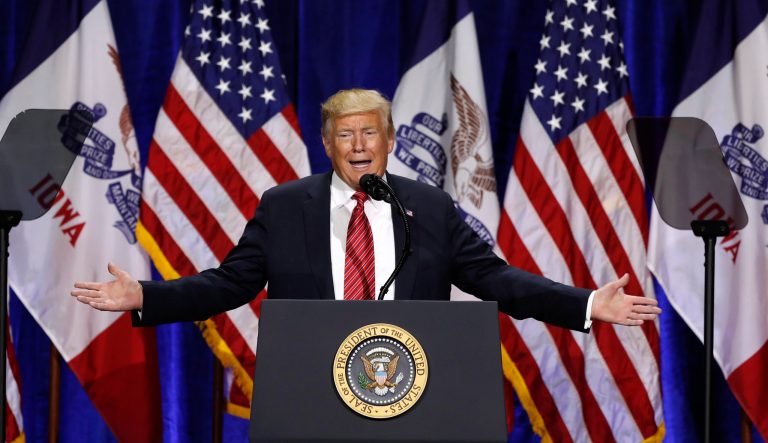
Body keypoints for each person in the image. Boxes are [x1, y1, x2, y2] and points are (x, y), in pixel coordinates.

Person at [71, 89, 660, 330]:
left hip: (412, 387)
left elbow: (494, 278)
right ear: (327, 145)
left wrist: (583, 302)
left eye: (370, 134)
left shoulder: (427, 206)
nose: (358, 146)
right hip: (312, 394)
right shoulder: (284, 207)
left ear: (390, 141)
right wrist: (147, 296)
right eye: (346, 136)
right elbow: (230, 284)